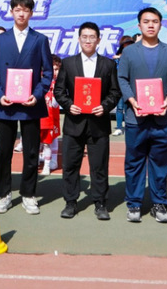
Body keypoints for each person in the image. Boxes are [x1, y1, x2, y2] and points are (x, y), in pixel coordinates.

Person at [0, 0, 54, 215]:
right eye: (17, 9)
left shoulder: (40, 39)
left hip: (31, 104)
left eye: (25, 10)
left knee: (31, 153)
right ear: (11, 12)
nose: (21, 13)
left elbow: (47, 73)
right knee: (3, 153)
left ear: (31, 13)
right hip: (6, 104)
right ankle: (4, 194)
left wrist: (37, 94)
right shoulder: (1, 40)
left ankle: (28, 194)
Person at [117, 7, 167, 223]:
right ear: (139, 26)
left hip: (162, 118)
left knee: (160, 163)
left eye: (155, 21)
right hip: (135, 117)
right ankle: (134, 203)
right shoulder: (129, 52)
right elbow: (122, 78)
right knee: (134, 162)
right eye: (146, 21)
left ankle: (159, 203)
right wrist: (132, 100)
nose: (151, 25)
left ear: (161, 25)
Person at [54, 22, 121, 220]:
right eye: (85, 37)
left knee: (99, 166)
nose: (88, 40)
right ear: (79, 39)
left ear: (98, 40)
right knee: (70, 165)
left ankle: (100, 203)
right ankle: (70, 202)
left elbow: (115, 91)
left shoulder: (108, 64)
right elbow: (59, 90)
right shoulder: (68, 63)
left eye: (92, 37)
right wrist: (69, 105)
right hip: (74, 123)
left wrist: (105, 106)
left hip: (98, 124)